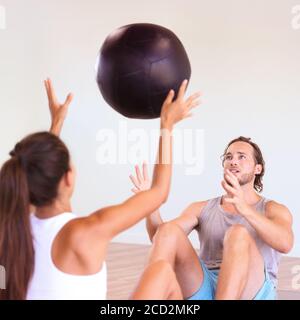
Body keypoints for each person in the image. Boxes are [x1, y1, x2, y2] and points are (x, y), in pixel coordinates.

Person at [0, 79, 201, 300]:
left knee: (161, 273)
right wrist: (167, 124)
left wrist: (56, 123)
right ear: (68, 178)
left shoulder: (10, 232)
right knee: (162, 273)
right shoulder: (85, 232)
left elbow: (37, 169)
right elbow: (159, 192)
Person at [129, 137, 294, 300]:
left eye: (241, 157)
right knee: (169, 230)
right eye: (228, 157)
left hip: (253, 289)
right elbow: (160, 238)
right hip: (207, 285)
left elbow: (286, 244)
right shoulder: (201, 208)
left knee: (237, 234)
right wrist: (150, 203)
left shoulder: (273, 209)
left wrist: (245, 209)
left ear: (258, 168)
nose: (233, 161)